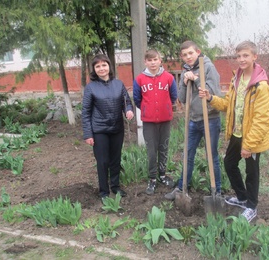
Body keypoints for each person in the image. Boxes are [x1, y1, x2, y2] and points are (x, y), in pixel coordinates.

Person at [199, 41, 269, 222]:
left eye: (245, 55)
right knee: (229, 163)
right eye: (238, 56)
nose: (241, 59)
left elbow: (261, 120)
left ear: (255, 57)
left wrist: (249, 145)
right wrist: (210, 98)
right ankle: (242, 197)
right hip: (237, 133)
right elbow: (228, 105)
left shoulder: (260, 86)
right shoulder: (236, 79)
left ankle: (252, 206)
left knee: (252, 172)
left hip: (252, 138)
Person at [165, 40, 222, 200]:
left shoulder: (209, 68)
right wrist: (184, 82)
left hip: (210, 118)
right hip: (193, 119)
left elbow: (212, 92)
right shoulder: (185, 71)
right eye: (184, 55)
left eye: (190, 53)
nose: (188, 57)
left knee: (212, 155)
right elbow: (182, 98)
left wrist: (196, 79)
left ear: (198, 51)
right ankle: (181, 188)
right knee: (187, 154)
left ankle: (216, 191)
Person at [82, 53, 134, 202]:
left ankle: (115, 187)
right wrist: (88, 134)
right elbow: (85, 112)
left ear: (109, 66)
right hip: (99, 130)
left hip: (117, 128)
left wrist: (128, 110)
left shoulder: (118, 84)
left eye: (104, 65)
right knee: (103, 161)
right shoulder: (91, 88)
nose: (101, 68)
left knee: (115, 159)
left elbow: (126, 101)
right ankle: (104, 191)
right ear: (94, 69)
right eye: (98, 66)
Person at [133, 49, 178, 195]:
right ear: (145, 62)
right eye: (149, 60)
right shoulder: (139, 79)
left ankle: (163, 175)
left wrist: (165, 108)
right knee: (152, 151)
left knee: (163, 147)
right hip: (149, 121)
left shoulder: (169, 78)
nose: (153, 63)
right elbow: (137, 99)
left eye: (155, 60)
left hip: (165, 120)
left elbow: (173, 96)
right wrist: (147, 109)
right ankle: (152, 179)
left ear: (160, 60)